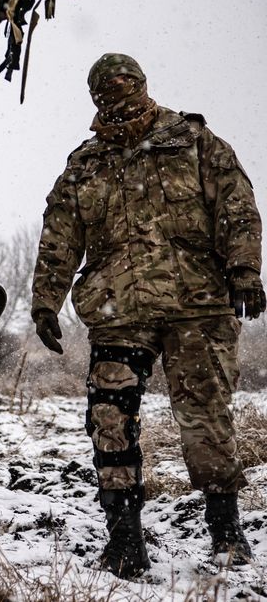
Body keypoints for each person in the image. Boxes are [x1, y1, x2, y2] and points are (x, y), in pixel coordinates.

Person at [31, 53, 263, 578]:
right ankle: (124, 538)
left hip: (196, 304)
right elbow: (59, 236)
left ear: (141, 83)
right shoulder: (85, 165)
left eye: (124, 83)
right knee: (109, 416)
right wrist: (46, 300)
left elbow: (236, 206)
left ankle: (226, 530)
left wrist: (245, 269)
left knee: (204, 415)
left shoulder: (195, 142)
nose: (117, 93)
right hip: (119, 308)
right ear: (95, 97)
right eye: (106, 87)